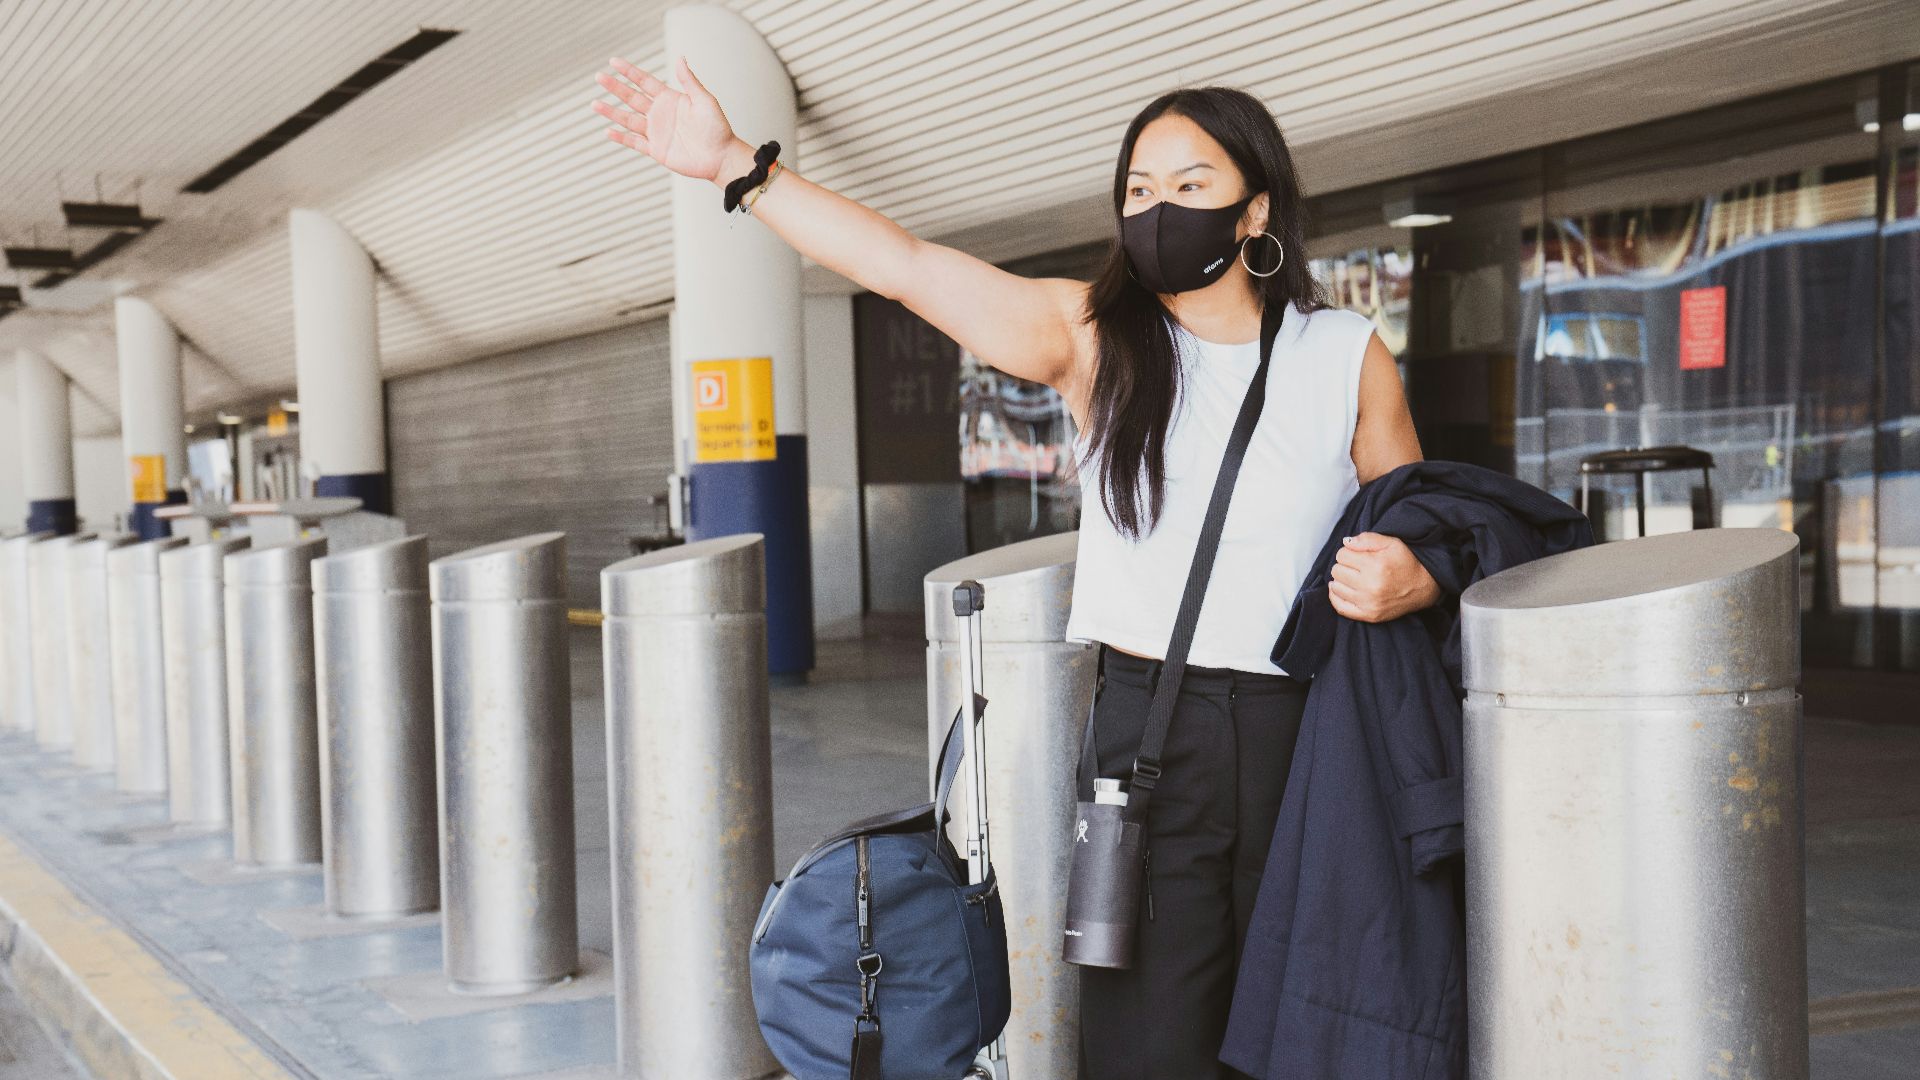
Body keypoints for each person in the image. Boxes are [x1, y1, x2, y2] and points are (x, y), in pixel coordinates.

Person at [595, 57, 1443, 1080]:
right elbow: (906, 264)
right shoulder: (1095, 338)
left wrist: (1415, 574)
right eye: (1138, 188)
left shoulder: (1345, 351)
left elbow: (1421, 522)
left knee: (1310, 1022)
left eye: (1190, 185)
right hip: (1151, 734)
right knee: (1150, 1041)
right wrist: (740, 166)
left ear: (1256, 210)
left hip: (1307, 729)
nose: (1157, 207)